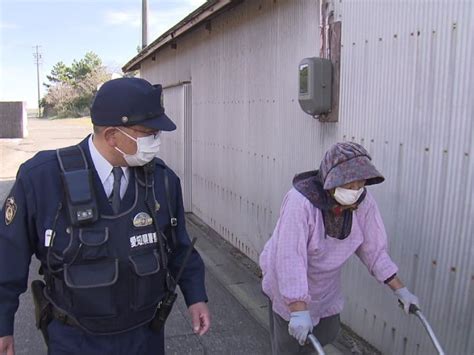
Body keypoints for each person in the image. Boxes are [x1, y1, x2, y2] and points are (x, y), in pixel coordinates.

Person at [0, 77, 210, 355]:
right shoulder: (42, 178)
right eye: (148, 132)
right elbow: (7, 257)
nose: (156, 141)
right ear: (112, 136)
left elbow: (179, 246)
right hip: (75, 339)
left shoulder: (163, 180)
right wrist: (3, 325)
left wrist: (196, 296)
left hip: (144, 336)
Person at [259, 142, 420, 354]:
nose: (355, 192)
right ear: (331, 181)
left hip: (324, 288)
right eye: (348, 185)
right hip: (288, 283)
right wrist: (297, 308)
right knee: (289, 345)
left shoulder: (363, 202)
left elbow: (375, 250)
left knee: (325, 333)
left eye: (359, 184)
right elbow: (290, 258)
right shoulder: (300, 202)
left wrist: (401, 290)